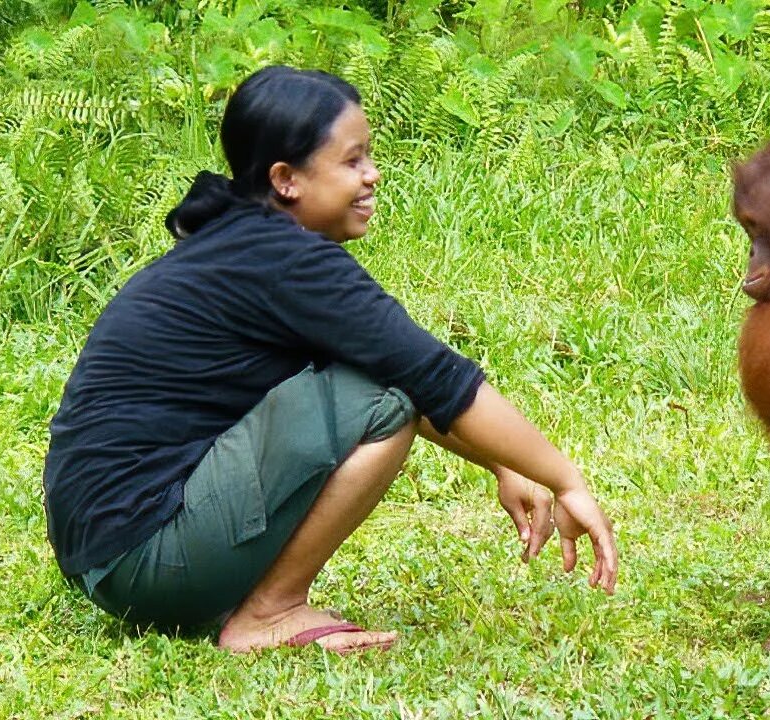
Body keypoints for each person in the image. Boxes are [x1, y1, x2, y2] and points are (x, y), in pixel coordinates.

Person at [42, 65, 619, 655]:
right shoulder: (286, 261)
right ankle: (269, 613)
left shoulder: (247, 241)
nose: (371, 177)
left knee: (381, 384)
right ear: (286, 179)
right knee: (382, 400)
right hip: (145, 560)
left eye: (369, 157)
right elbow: (431, 376)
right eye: (351, 161)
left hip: (110, 555)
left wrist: (502, 465)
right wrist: (564, 479)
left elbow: (407, 371)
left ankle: (256, 600)